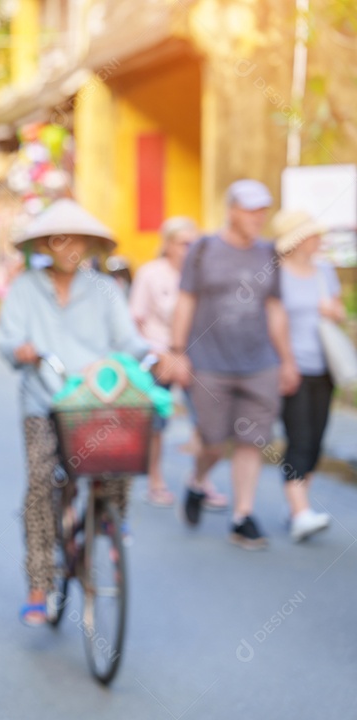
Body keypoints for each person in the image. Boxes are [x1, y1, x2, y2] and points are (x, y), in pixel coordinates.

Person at [0, 199, 154, 626]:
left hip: (94, 400)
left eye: (78, 239)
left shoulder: (106, 289)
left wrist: (158, 356)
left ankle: (109, 519)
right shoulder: (26, 287)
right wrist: (20, 350)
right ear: (47, 243)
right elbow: (7, 338)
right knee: (42, 483)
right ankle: (39, 583)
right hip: (44, 398)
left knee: (125, 445)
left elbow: (131, 341)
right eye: (61, 238)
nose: (70, 246)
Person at [168, 179, 300, 550]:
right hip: (209, 362)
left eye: (263, 210)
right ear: (232, 210)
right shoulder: (203, 250)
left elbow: (275, 309)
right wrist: (178, 351)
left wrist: (287, 360)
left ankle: (242, 515)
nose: (258, 217)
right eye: (251, 209)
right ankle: (197, 482)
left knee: (251, 440)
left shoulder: (268, 254)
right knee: (213, 441)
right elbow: (185, 301)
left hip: (259, 363)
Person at [273, 209, 343, 541]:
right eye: (314, 235)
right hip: (292, 367)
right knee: (298, 439)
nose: (320, 240)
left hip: (325, 368)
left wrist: (334, 311)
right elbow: (272, 323)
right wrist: (285, 362)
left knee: (315, 441)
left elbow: (340, 311)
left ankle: (299, 509)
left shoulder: (324, 272)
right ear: (299, 241)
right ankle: (301, 512)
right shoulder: (276, 275)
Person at [128, 216, 197, 507]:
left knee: (209, 424)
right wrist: (156, 355)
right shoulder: (151, 274)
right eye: (184, 243)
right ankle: (155, 479)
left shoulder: (201, 274)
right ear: (168, 244)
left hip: (197, 356)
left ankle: (199, 480)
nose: (190, 249)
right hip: (159, 356)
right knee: (157, 423)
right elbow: (135, 320)